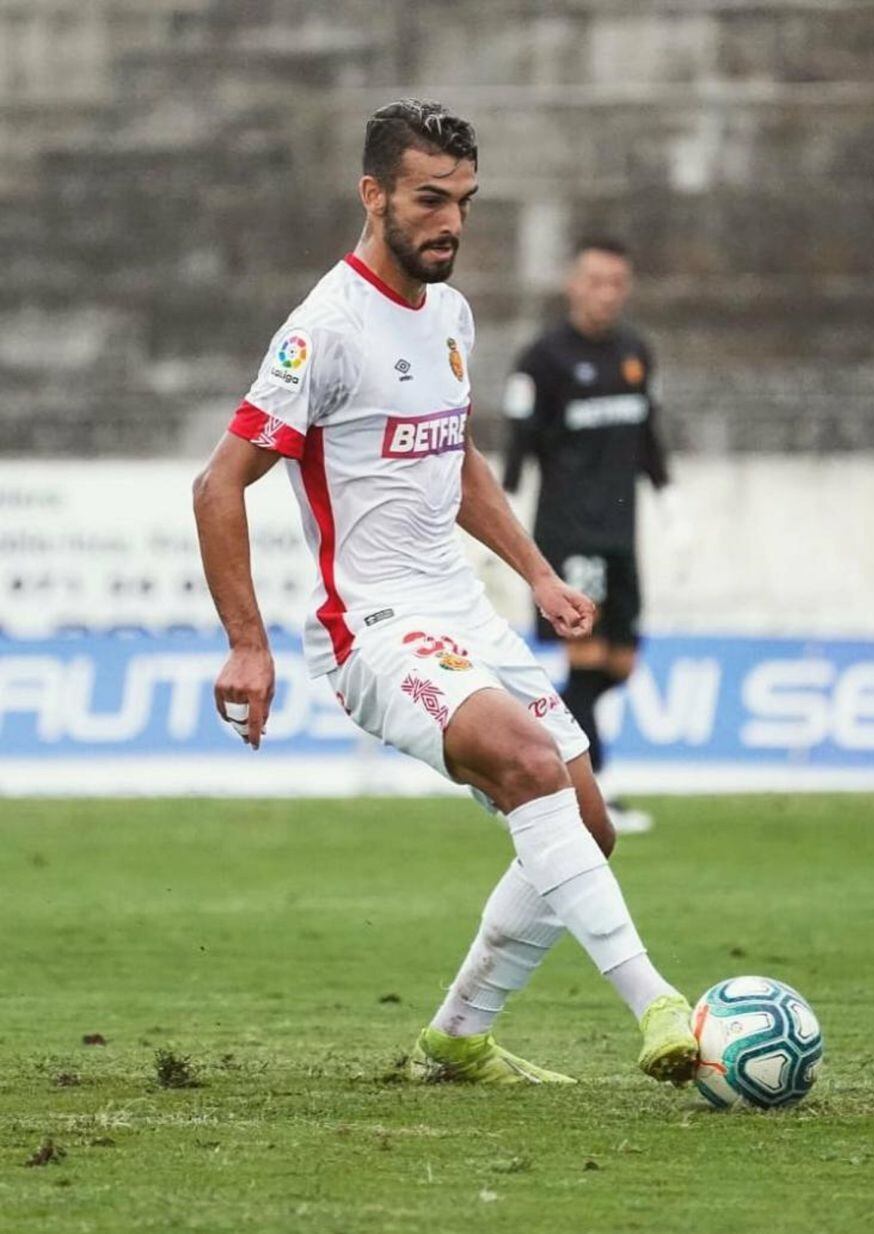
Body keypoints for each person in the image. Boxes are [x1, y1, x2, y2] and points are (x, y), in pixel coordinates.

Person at [192, 99, 696, 1086]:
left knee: (587, 827)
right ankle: (658, 1003)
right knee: (526, 762)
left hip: (462, 615)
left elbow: (455, 461)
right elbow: (219, 484)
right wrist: (247, 645)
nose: (451, 223)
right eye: (430, 200)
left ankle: (457, 1036)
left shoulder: (452, 316)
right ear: (373, 194)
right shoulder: (323, 331)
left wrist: (538, 574)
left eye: (465, 202)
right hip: (369, 628)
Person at [502, 239, 670, 833]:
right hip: (569, 535)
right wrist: (506, 494)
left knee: (619, 663)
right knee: (585, 654)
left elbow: (648, 432)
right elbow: (518, 438)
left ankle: (545, 745)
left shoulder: (634, 354)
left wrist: (668, 495)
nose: (607, 293)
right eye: (596, 280)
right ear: (573, 285)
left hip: (622, 535)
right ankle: (589, 787)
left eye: (617, 282)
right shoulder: (544, 359)